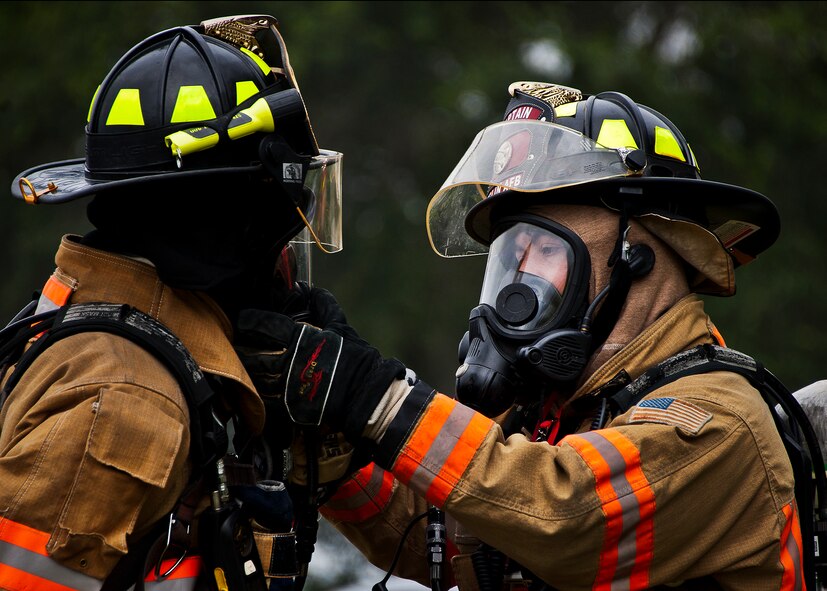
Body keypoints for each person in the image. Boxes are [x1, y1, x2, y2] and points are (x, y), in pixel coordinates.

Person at [261, 81, 809, 590]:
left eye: (544, 250)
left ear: (635, 260)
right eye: (509, 258)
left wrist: (377, 400)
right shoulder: (558, 413)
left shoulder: (717, 422)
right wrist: (334, 447)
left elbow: (562, 516)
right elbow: (433, 530)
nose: (516, 287)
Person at [0, 14, 342, 590]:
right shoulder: (127, 401)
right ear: (232, 228)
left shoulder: (130, 347)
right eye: (281, 225)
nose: (287, 257)